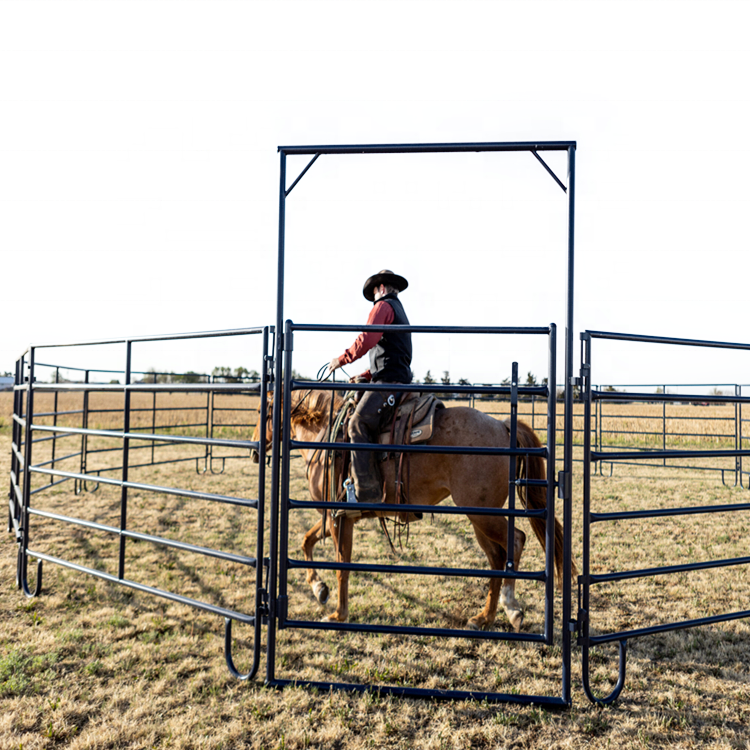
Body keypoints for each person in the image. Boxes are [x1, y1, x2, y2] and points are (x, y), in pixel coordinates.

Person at [327, 269, 412, 518]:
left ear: (382, 288)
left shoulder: (383, 306)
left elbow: (367, 339)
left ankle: (366, 495)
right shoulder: (399, 310)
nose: (374, 295)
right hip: (393, 377)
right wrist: (366, 375)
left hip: (390, 381)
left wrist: (341, 360)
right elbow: (389, 353)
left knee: (356, 424)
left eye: (375, 291)